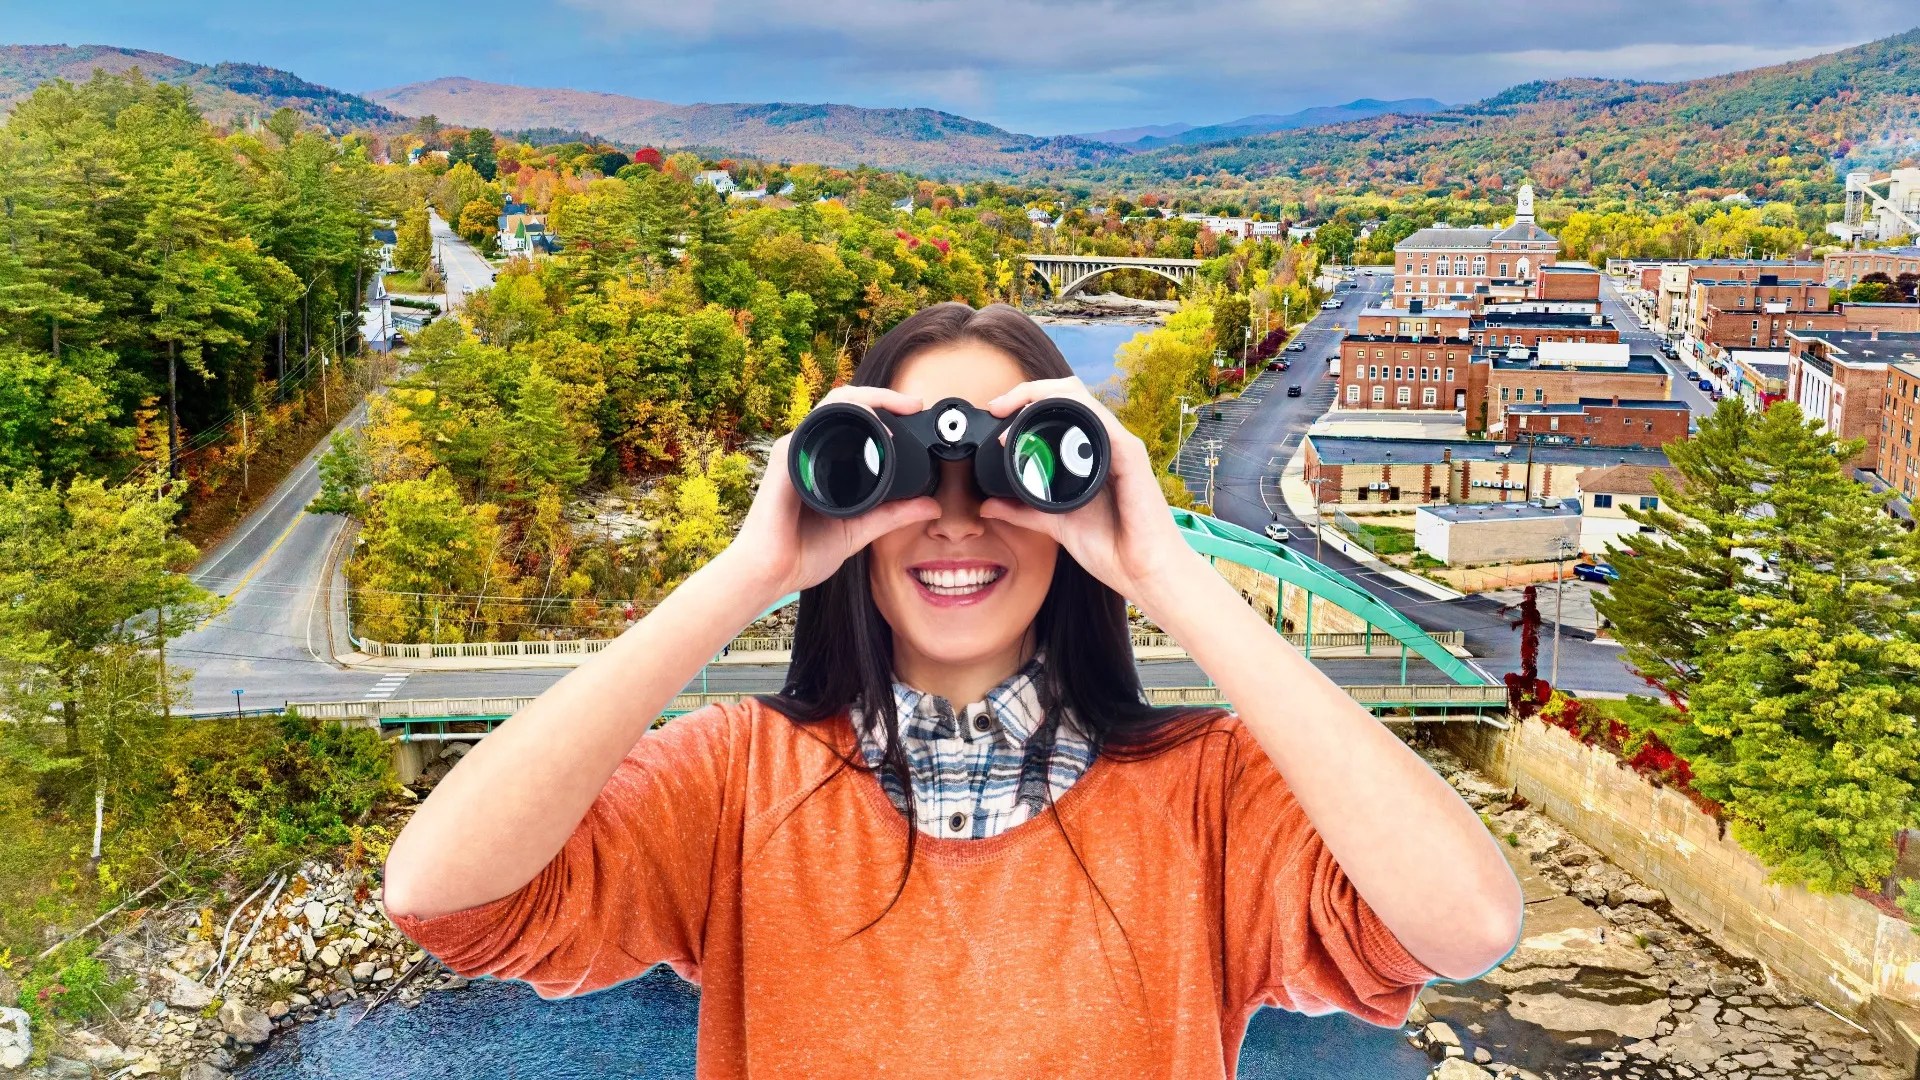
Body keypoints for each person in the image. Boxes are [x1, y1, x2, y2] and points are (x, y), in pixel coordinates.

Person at [382, 303, 1523, 1077]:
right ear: (844, 494)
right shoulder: (736, 781)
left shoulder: (1206, 797)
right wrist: (754, 569)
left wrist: (1162, 566)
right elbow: (447, 893)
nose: (960, 513)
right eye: (911, 473)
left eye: (1010, 467)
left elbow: (1464, 924)